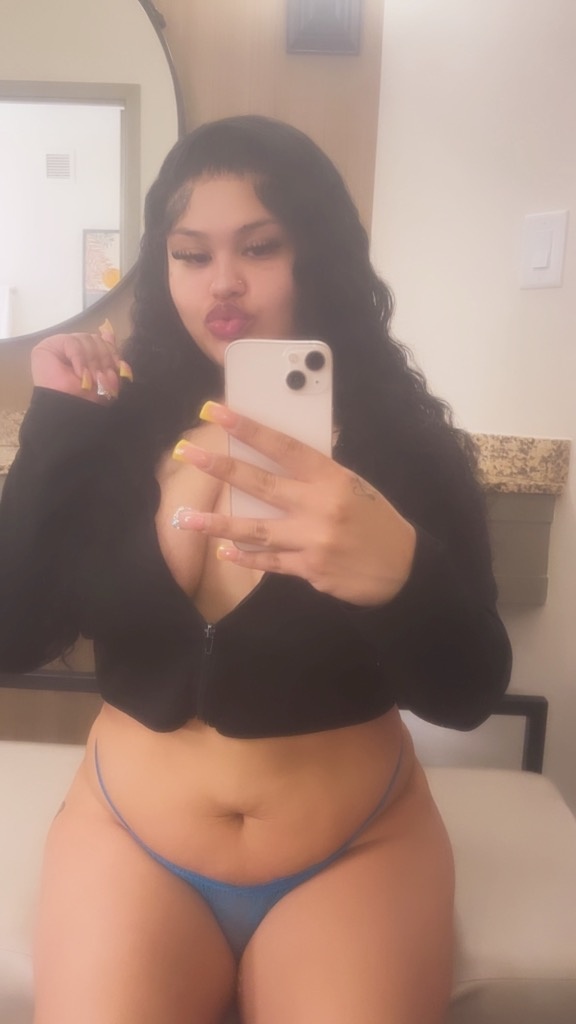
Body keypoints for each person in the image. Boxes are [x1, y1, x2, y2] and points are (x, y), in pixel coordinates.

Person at [0, 115, 512, 1024]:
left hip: (357, 850)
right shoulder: (111, 429)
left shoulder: (404, 452)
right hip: (127, 838)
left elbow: (470, 693)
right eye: (191, 255)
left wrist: (401, 575)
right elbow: (10, 635)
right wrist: (55, 424)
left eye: (260, 247)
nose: (222, 283)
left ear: (319, 254)